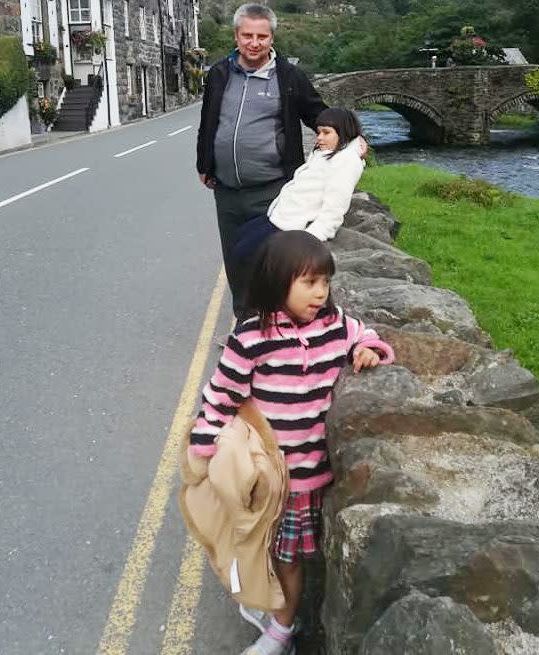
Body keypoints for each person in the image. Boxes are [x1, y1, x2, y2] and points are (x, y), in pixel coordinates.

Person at [189, 231, 394, 655]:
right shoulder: (251, 339)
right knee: (263, 545)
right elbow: (220, 397)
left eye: (325, 282)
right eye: (309, 282)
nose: (321, 293)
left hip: (308, 482)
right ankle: (272, 607)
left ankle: (282, 629)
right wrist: (204, 449)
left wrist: (370, 348)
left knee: (289, 557)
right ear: (276, 280)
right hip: (267, 477)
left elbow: (365, 333)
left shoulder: (334, 326)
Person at [196, 3, 329, 319]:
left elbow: (318, 113)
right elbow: (208, 122)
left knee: (272, 265)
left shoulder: (289, 77)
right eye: (247, 35)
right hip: (226, 192)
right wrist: (204, 163)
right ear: (236, 35)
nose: (254, 43)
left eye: (261, 36)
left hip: (272, 191)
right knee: (236, 262)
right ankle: (245, 328)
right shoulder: (219, 73)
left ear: (272, 38)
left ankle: (276, 326)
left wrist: (348, 135)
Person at [231, 107, 366, 282]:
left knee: (243, 255)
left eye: (326, 132)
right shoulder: (326, 152)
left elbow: (334, 211)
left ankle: (262, 305)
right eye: (319, 132)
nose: (319, 138)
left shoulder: (347, 160)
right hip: (281, 216)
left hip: (291, 227)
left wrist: (308, 240)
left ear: (344, 132)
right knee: (241, 236)